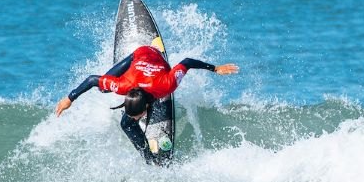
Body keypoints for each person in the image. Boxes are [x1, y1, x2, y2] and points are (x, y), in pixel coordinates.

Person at [55, 44, 238, 162]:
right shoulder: (122, 85)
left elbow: (187, 62)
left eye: (138, 116)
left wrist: (215, 68)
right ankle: (147, 157)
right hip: (138, 55)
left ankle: (148, 155)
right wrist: (69, 98)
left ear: (147, 107)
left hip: (153, 54)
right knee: (104, 89)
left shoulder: (167, 85)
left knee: (126, 123)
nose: (136, 118)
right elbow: (91, 80)